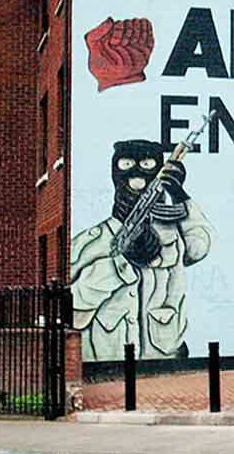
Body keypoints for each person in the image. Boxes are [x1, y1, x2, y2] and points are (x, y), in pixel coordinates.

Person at [70, 140, 215, 362]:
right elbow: (74, 313)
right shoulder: (91, 242)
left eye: (147, 164)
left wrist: (180, 196)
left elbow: (200, 246)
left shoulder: (172, 235)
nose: (137, 174)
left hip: (163, 359)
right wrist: (121, 264)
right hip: (107, 362)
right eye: (127, 164)